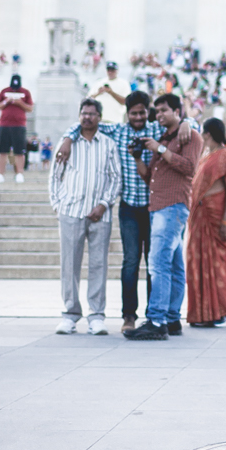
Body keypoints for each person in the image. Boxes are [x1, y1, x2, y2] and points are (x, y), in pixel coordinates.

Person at [58, 91, 193, 332]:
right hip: (129, 206)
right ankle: (128, 316)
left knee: (156, 263)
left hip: (156, 206)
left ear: (148, 112)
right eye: (134, 113)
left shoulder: (156, 130)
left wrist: (186, 122)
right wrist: (68, 138)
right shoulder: (118, 131)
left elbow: (178, 125)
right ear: (126, 114)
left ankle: (155, 315)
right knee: (131, 261)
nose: (139, 117)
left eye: (142, 112)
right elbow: (87, 123)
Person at [124, 93, 203, 341]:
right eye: (156, 111)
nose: (158, 115)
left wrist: (159, 148)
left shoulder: (189, 135)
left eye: (163, 111)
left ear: (178, 111)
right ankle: (171, 318)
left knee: (157, 264)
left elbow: (189, 168)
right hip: (159, 206)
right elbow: (150, 178)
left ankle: (156, 320)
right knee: (175, 266)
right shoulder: (164, 138)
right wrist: (138, 157)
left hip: (173, 206)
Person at [49, 98, 122, 335]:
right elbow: (55, 175)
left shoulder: (108, 144)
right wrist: (58, 204)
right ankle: (70, 314)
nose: (87, 117)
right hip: (71, 211)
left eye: (92, 114)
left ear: (99, 117)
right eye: (83, 113)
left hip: (100, 215)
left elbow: (115, 178)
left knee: (98, 264)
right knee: (69, 265)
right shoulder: (67, 142)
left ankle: (97, 316)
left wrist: (103, 204)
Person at [185, 116, 226, 326]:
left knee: (220, 264)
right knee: (196, 263)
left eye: (203, 133)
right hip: (199, 218)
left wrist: (225, 222)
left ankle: (220, 311)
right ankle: (201, 314)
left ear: (207, 134)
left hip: (217, 218)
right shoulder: (206, 156)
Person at [0, 74, 34, 183]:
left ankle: (20, 173)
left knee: (19, 151)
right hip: (4, 124)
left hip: (19, 125)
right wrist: (6, 101)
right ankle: (0, 174)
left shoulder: (25, 92)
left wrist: (20, 103)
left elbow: (30, 108)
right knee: (3, 151)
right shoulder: (4, 91)